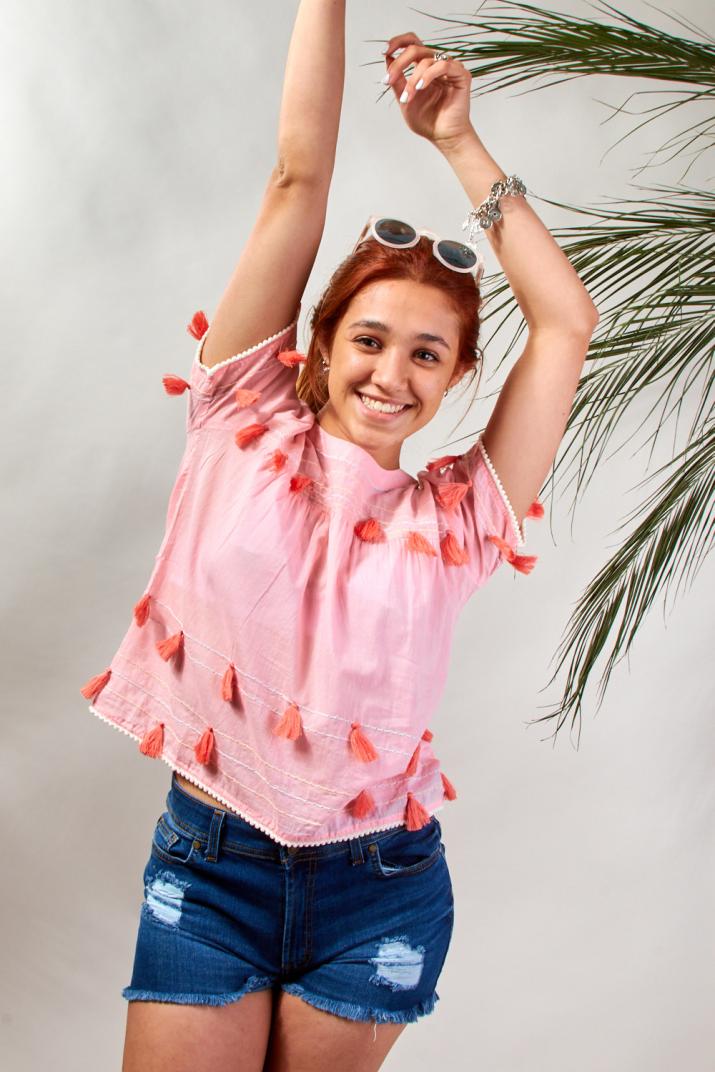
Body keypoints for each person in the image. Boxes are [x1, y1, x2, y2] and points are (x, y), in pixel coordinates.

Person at [80, 4, 598, 1069]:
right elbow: (296, 176)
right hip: (210, 870)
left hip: (380, 892)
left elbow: (565, 322)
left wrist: (456, 139)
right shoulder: (240, 413)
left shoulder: (456, 518)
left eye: (426, 354)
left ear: (457, 376)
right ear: (319, 341)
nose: (390, 374)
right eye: (369, 339)